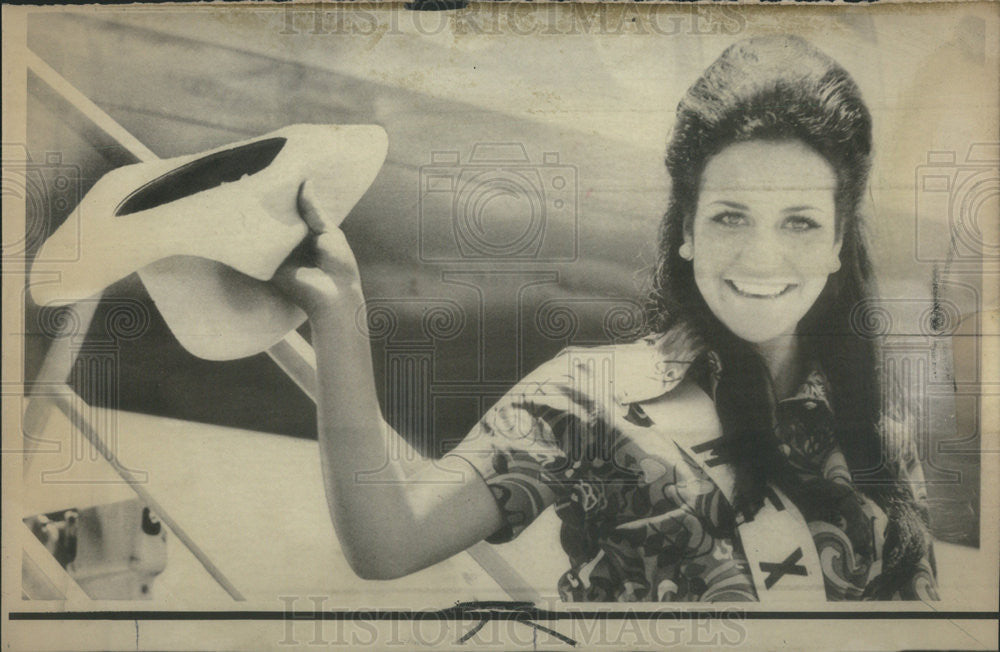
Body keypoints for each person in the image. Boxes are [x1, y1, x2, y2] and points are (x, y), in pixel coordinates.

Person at [273, 34, 939, 602]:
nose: (763, 257)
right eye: (731, 216)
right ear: (688, 229)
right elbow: (387, 540)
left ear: (835, 244)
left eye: (800, 222)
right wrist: (339, 313)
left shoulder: (879, 437)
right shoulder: (584, 399)